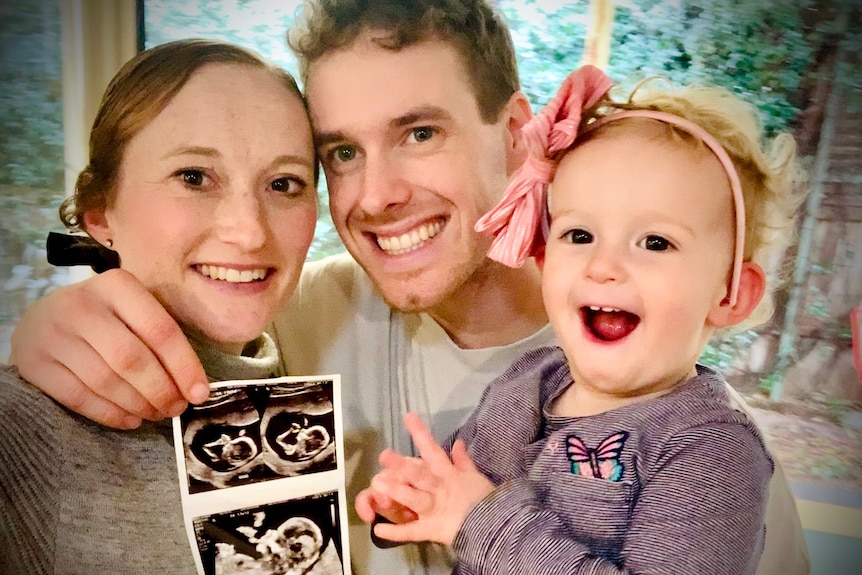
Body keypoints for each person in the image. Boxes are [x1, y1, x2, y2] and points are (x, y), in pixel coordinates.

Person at [7, 1, 809, 573]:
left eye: (419, 132)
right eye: (342, 154)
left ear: (516, 130)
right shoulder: (303, 312)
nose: (378, 194)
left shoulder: (658, 388)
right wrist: (54, 321)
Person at [355, 65, 805, 574]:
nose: (604, 266)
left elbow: (478, 519)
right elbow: (460, 493)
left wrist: (479, 520)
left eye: (655, 242)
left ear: (730, 294)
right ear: (543, 259)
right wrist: (421, 499)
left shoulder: (711, 449)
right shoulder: (526, 383)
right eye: (580, 235)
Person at [0, 39, 319, 574]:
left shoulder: (327, 359)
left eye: (284, 183)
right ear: (100, 212)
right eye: (193, 177)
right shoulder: (20, 432)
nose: (248, 232)